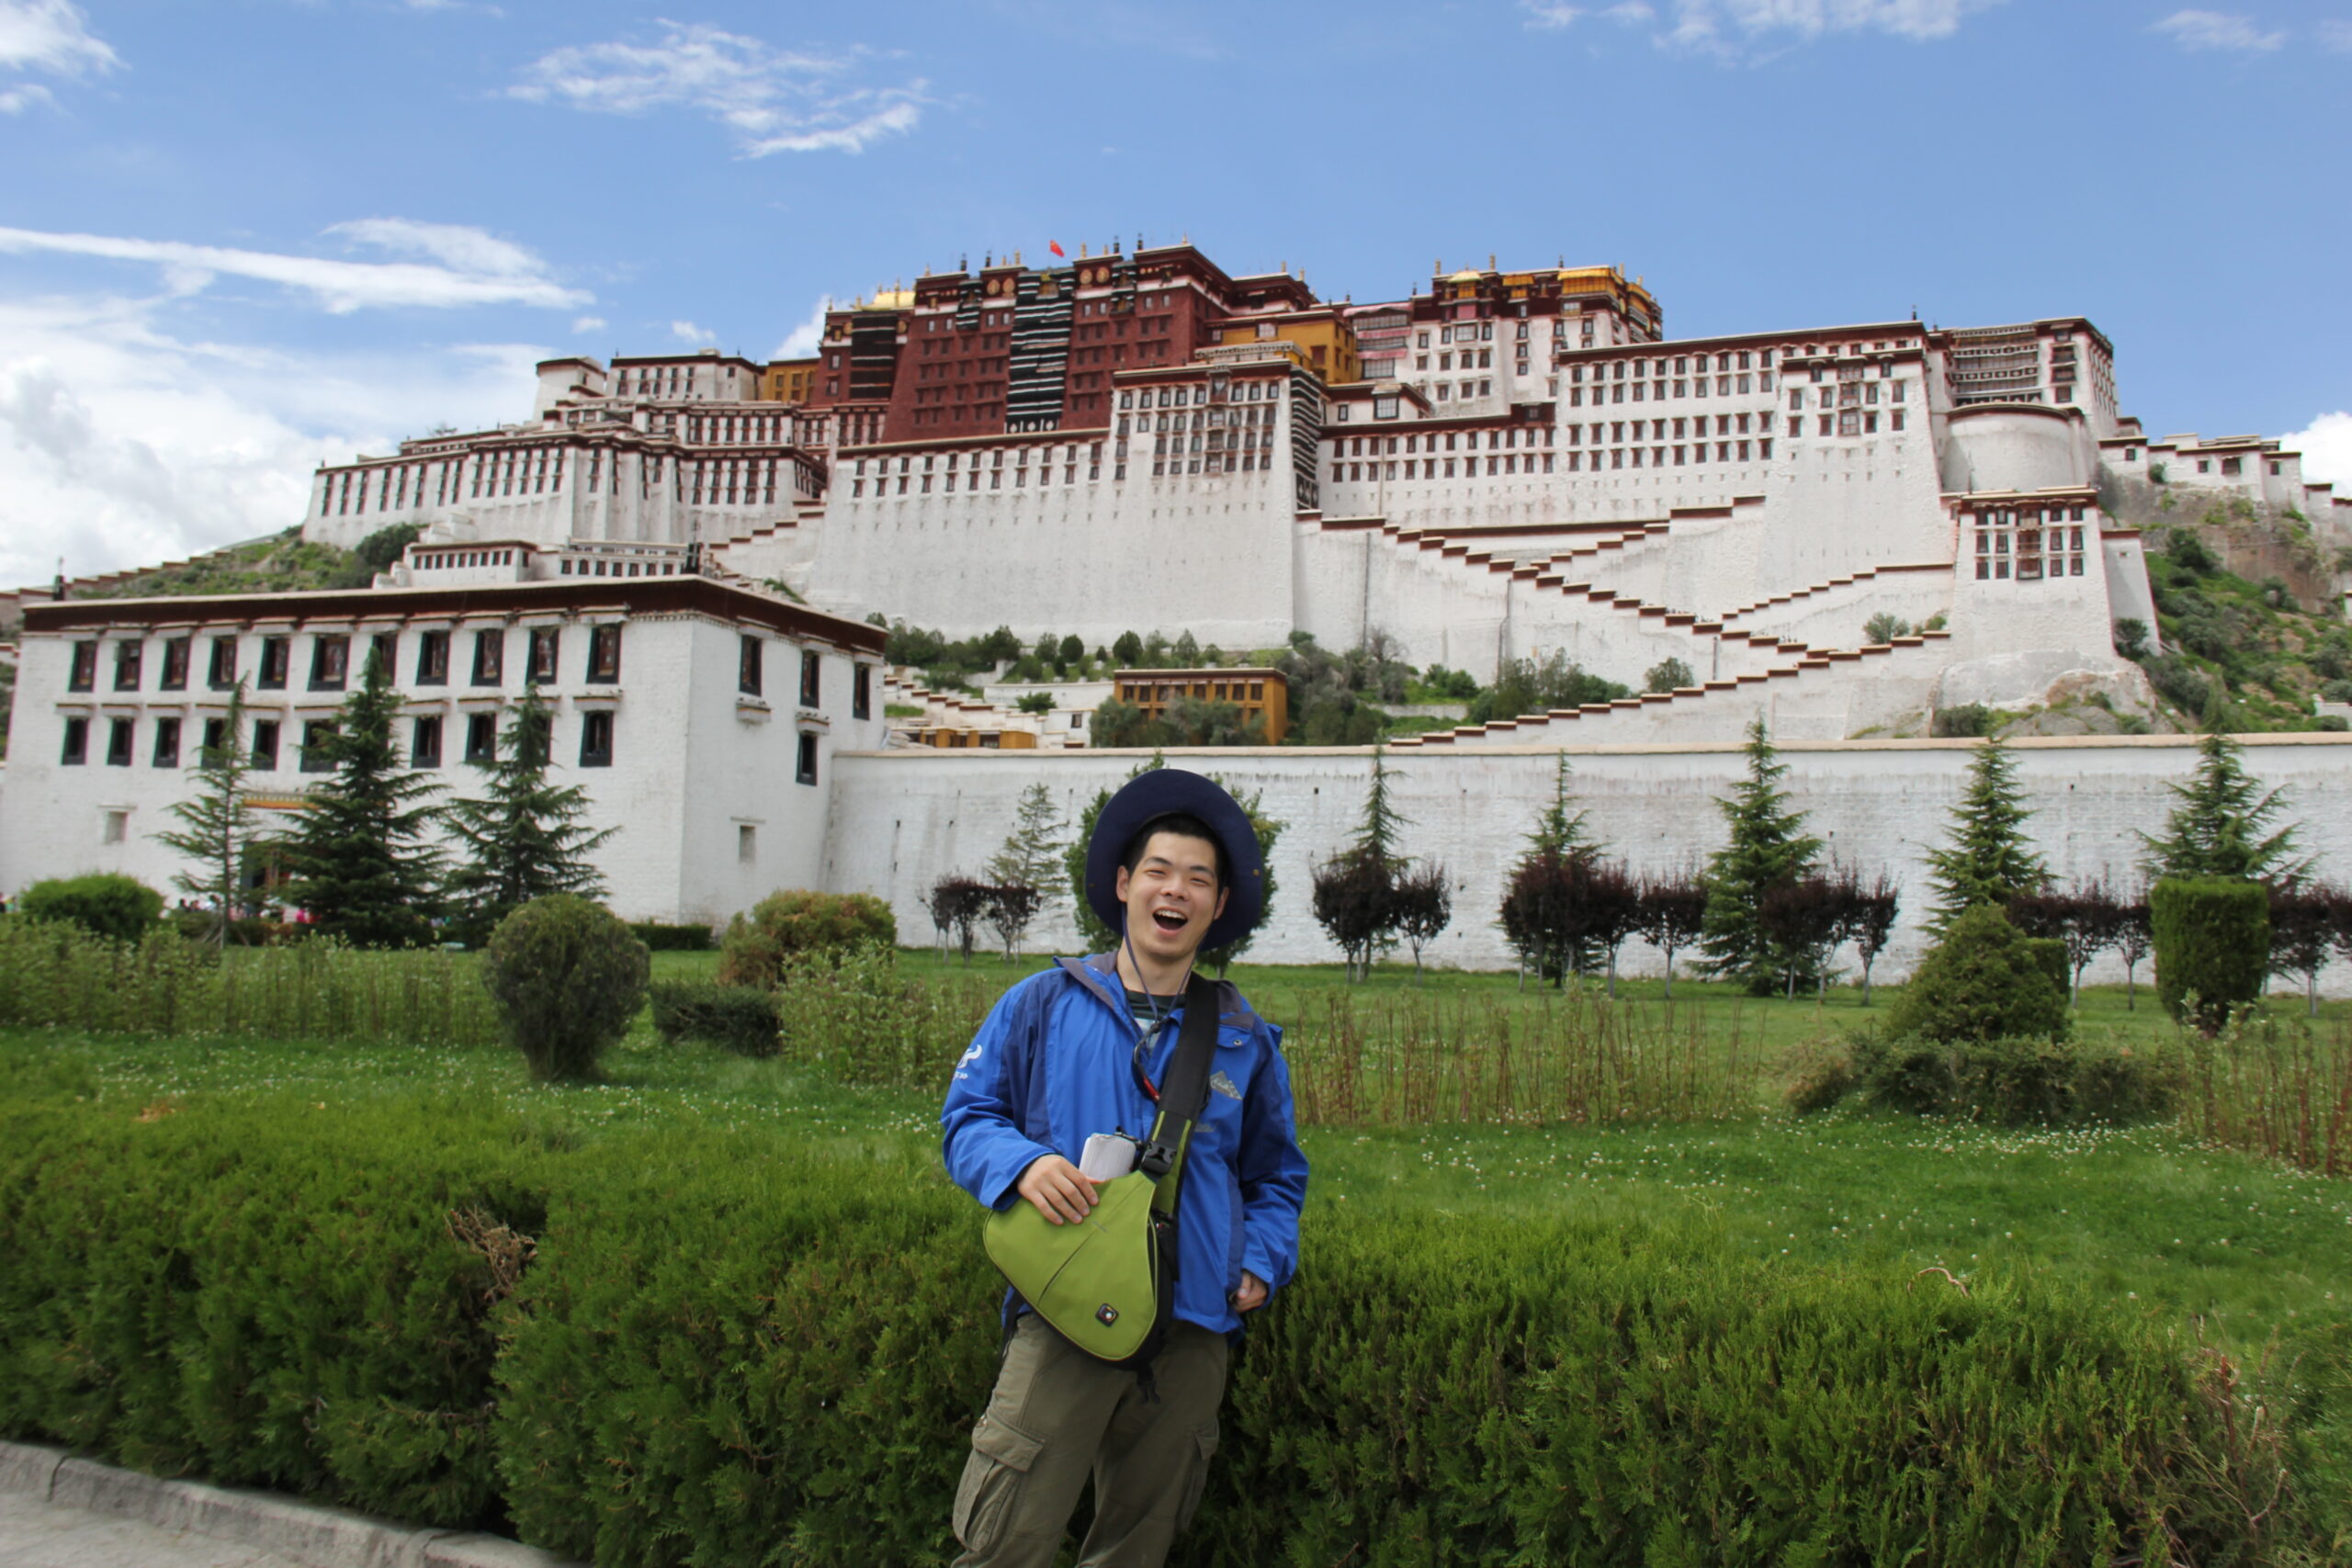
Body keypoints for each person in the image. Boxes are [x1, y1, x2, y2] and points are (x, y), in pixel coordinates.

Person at [940, 768, 1309, 1567]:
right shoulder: (1042, 1002)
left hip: (1194, 1326)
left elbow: (1275, 1177)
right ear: (1123, 884)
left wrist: (1260, 1256)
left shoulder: (1245, 1039)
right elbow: (967, 1118)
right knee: (1006, 1541)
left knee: (1137, 1549)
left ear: (1217, 904)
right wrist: (1022, 1165)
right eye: (1158, 870)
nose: (1175, 890)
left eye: (1198, 879)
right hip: (1066, 1309)